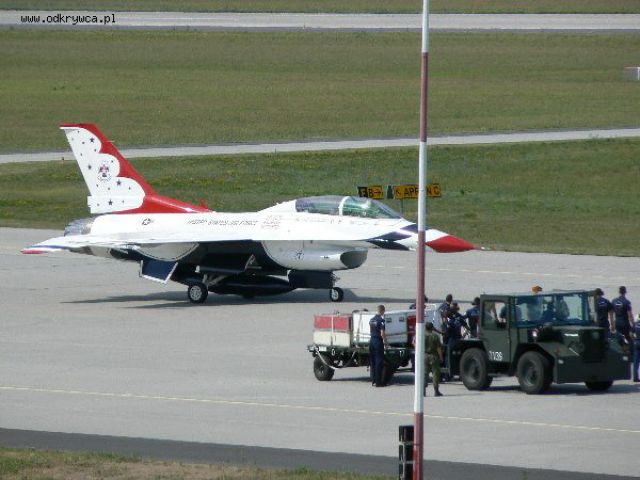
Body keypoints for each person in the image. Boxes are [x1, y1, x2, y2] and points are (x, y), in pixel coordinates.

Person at [369, 305, 388, 387]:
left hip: (371, 341)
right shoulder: (381, 320)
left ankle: (373, 380)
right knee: (379, 361)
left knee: (372, 361)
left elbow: (371, 331)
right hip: (378, 341)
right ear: (383, 311)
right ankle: (378, 382)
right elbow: (382, 333)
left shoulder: (371, 320)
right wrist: (386, 343)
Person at [424, 322, 443, 396]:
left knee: (425, 373)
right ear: (432, 328)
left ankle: (423, 390)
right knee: (435, 373)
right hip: (434, 356)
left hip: (425, 356)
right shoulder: (435, 336)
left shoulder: (422, 335)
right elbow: (438, 348)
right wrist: (441, 357)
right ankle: (436, 391)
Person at [633, 315, 640, 382]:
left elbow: (631, 333)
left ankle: (635, 377)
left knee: (636, 362)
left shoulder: (635, 324)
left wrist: (634, 339)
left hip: (636, 342)